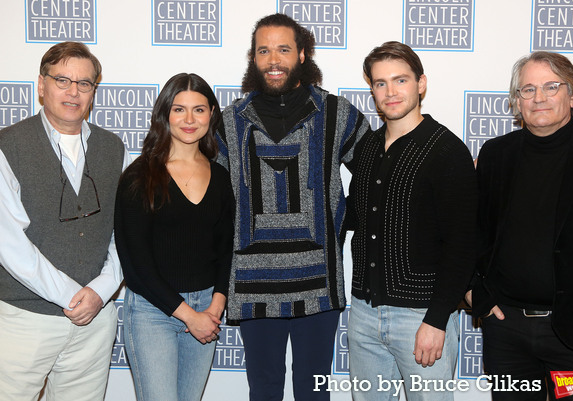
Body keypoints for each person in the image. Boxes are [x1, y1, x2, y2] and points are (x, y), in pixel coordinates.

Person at [215, 13, 370, 401]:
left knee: (314, 390)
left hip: (318, 281)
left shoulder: (338, 114)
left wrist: (341, 217)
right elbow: (205, 197)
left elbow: (376, 176)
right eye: (263, 50)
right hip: (252, 284)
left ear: (302, 54)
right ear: (253, 58)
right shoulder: (228, 122)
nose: (273, 59)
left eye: (283, 49)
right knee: (263, 390)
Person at [345, 41, 477, 400]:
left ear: (421, 84)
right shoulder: (369, 147)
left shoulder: (447, 151)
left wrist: (436, 320)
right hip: (363, 314)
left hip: (421, 317)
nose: (390, 91)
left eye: (400, 80)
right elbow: (355, 215)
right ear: (371, 90)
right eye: (380, 83)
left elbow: (462, 244)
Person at [468, 51, 573, 400]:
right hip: (507, 332)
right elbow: (468, 231)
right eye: (527, 89)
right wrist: (472, 291)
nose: (539, 98)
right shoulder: (494, 155)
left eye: (551, 87)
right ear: (516, 102)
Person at [0, 41, 127, 400]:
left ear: (93, 92)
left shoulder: (113, 148)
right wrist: (74, 297)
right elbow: (9, 243)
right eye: (62, 80)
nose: (73, 91)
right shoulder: (7, 146)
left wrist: (100, 292)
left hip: (95, 321)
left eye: (84, 83)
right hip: (25, 320)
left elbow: (125, 233)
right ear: (41, 86)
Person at [114, 73, 234, 401]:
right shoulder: (139, 176)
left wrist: (215, 307)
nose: (190, 119)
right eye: (179, 109)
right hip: (154, 313)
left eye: (199, 109)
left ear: (212, 114)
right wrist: (189, 315)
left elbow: (226, 250)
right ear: (165, 114)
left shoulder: (221, 177)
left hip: (207, 308)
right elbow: (135, 264)